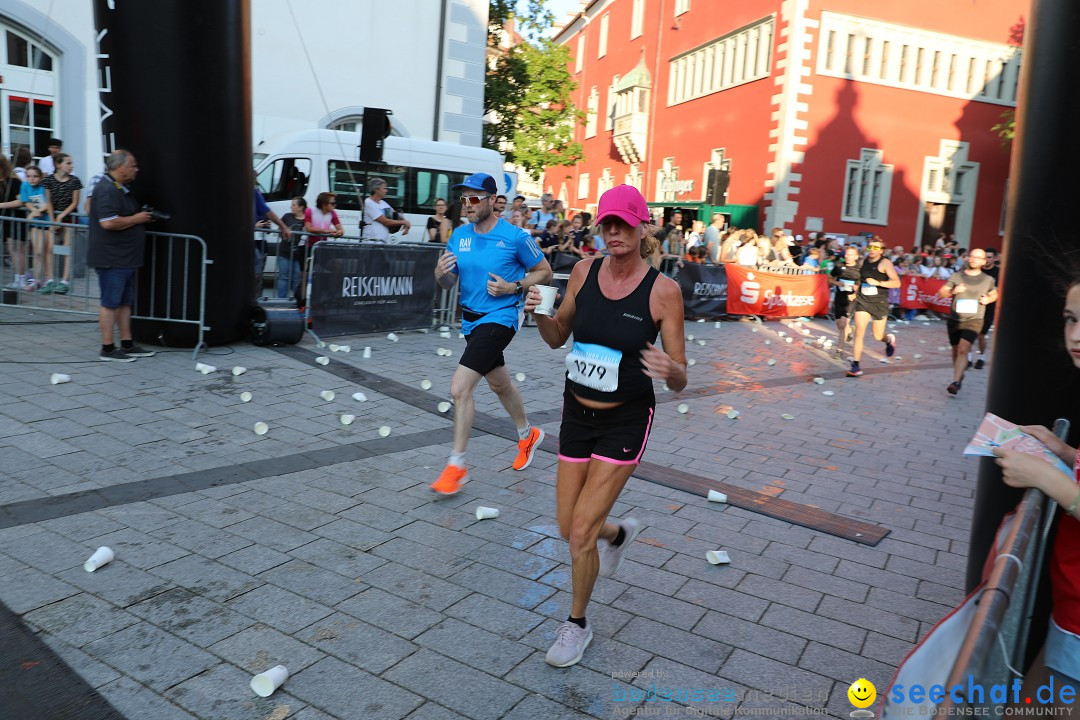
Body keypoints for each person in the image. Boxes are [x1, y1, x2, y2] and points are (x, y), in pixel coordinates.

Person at [523, 184, 686, 668]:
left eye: (623, 224)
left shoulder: (663, 291)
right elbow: (557, 339)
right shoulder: (583, 272)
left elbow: (680, 377)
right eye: (607, 224)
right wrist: (539, 313)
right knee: (567, 525)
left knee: (578, 533)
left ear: (641, 228)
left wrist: (671, 369)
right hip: (576, 412)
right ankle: (616, 535)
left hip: (627, 420)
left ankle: (576, 624)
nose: (613, 232)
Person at [431, 172, 552, 495]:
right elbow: (447, 282)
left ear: (491, 201)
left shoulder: (515, 237)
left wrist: (514, 286)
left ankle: (457, 466)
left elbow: (545, 271)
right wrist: (439, 275)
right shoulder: (458, 235)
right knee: (499, 384)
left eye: (473, 199)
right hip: (470, 320)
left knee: (459, 388)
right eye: (464, 199)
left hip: (500, 318)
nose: (467, 205)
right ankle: (527, 434)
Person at [992, 275, 1080, 709]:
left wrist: (1045, 477)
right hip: (1069, 613)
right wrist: (1062, 450)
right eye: (1070, 319)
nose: (1076, 335)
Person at [87, 150, 157, 362]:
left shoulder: (119, 188)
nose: (136, 169)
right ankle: (107, 349)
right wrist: (137, 218)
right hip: (112, 258)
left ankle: (127, 344)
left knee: (125, 303)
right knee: (110, 303)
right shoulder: (107, 189)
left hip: (125, 258)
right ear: (120, 167)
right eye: (133, 165)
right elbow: (108, 222)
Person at [936, 248, 997, 395]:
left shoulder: (988, 279)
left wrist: (988, 299)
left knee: (964, 348)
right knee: (956, 351)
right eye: (972, 256)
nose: (973, 259)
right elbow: (941, 293)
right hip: (955, 319)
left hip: (975, 319)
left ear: (983, 262)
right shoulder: (957, 276)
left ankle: (955, 382)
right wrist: (953, 291)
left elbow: (995, 293)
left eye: (978, 257)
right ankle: (959, 375)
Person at [847, 239, 900, 377]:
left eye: (876, 248)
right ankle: (856, 365)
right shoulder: (864, 261)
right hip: (863, 300)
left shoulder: (885, 263)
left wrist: (878, 282)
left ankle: (888, 340)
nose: (872, 249)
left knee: (877, 335)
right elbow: (861, 280)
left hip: (879, 303)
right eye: (870, 247)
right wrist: (855, 293)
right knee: (859, 332)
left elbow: (896, 283)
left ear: (881, 250)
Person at [41, 153, 83, 295]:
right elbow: (48, 201)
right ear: (58, 164)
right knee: (49, 248)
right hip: (54, 216)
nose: (71, 166)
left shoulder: (74, 181)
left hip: (69, 216)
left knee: (66, 248)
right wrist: (53, 219)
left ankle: (65, 281)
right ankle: (50, 279)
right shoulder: (48, 181)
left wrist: (62, 216)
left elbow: (75, 202)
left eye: (71, 163)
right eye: (68, 163)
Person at [299, 192, 344, 306]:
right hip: (307, 246)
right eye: (332, 203)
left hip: (321, 248)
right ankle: (303, 300)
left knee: (337, 266)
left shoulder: (332, 213)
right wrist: (328, 231)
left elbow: (341, 230)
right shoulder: (310, 211)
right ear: (324, 205)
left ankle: (331, 296)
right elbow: (309, 228)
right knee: (305, 274)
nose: (334, 206)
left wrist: (337, 232)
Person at [254, 185, 292, 295]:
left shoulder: (262, 213)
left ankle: (258, 297)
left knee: (259, 275)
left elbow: (269, 230)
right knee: (254, 274)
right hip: (252, 244)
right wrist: (255, 226)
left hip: (262, 245)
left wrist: (268, 226)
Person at [20, 166, 53, 292]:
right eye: (29, 176)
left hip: (46, 223)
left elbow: (47, 204)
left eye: (35, 176)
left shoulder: (44, 186)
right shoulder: (24, 185)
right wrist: (33, 211)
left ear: (40, 177)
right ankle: (36, 279)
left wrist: (36, 211)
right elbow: (25, 201)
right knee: (37, 251)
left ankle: (47, 278)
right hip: (35, 223)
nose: (31, 179)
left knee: (46, 251)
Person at [830, 246, 861, 358]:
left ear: (856, 256)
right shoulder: (839, 266)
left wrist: (855, 293)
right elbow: (829, 278)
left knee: (843, 324)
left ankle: (839, 351)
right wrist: (837, 283)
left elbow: (860, 285)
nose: (848, 257)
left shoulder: (859, 270)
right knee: (840, 325)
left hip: (850, 300)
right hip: (839, 298)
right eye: (847, 254)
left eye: (851, 254)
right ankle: (850, 330)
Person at [0, 156, 25, 290]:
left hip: (15, 219)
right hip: (6, 221)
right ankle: (19, 277)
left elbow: (21, 201)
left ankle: (20, 278)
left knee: (16, 250)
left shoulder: (13, 182)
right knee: (12, 249)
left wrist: (2, 205)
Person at [276, 197, 307, 300]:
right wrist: (283, 234)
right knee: (283, 278)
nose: (291, 207)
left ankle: (295, 301)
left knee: (296, 279)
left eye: (294, 205)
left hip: (298, 255)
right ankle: (281, 301)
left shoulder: (306, 220)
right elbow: (279, 228)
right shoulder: (287, 216)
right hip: (285, 252)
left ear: (301, 207)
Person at [976, 247, 1000, 368]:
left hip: (989, 307)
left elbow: (1000, 290)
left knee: (981, 335)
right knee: (968, 332)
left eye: (989, 257)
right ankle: (968, 358)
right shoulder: (977, 270)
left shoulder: (998, 272)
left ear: (995, 258)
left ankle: (981, 357)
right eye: (985, 257)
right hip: (974, 305)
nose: (986, 260)